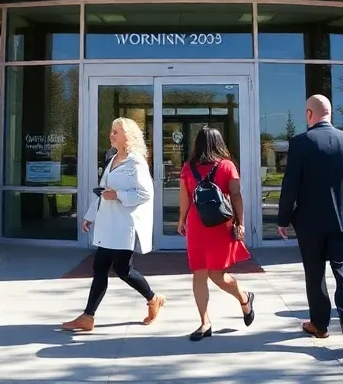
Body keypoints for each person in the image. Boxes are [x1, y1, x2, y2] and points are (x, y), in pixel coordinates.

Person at [276, 94, 343, 354]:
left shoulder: (300, 143)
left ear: (308, 114)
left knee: (315, 273)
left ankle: (320, 324)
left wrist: (283, 219)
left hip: (310, 222)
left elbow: (290, 185)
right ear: (331, 113)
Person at [62, 118, 166, 332]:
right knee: (100, 267)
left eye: (115, 131)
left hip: (123, 225)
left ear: (127, 135)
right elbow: (103, 191)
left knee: (122, 269)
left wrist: (118, 195)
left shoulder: (136, 162)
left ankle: (154, 298)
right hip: (107, 223)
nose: (111, 135)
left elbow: (145, 193)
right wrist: (90, 215)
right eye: (111, 131)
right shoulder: (112, 160)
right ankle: (88, 316)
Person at [177, 127, 255, 341]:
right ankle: (205, 322)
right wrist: (241, 222)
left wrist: (182, 219)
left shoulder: (188, 167)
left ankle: (244, 297)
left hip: (199, 223)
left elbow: (184, 198)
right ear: (219, 143)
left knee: (215, 274)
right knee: (200, 272)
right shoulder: (227, 166)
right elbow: (236, 195)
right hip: (219, 223)